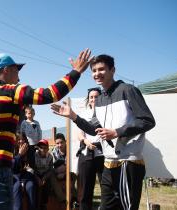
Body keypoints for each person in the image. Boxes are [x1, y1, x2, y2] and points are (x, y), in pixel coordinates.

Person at [0, 48, 93, 210]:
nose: (19, 76)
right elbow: (50, 94)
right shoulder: (11, 91)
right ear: (6, 70)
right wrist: (76, 72)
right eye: (17, 70)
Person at [51, 54, 156, 210]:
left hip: (128, 163)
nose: (96, 74)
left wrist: (117, 132)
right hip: (108, 163)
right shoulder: (100, 100)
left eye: (101, 69)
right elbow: (94, 130)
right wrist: (73, 116)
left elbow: (147, 121)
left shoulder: (128, 90)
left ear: (112, 70)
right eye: (94, 70)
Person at [76, 87, 104, 210]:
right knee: (85, 190)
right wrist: (86, 141)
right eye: (91, 97)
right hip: (87, 154)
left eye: (96, 96)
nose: (93, 99)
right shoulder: (84, 114)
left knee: (107, 189)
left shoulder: (108, 113)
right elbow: (79, 134)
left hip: (104, 154)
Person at [50, 133, 78, 206]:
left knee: (75, 171)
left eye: (61, 142)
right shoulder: (54, 151)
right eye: (57, 143)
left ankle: (74, 197)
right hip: (59, 173)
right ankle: (63, 199)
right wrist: (59, 172)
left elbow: (72, 165)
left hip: (70, 172)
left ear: (65, 141)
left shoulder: (71, 150)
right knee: (50, 174)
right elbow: (53, 168)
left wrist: (64, 172)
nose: (60, 145)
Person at [13, 132, 36, 210]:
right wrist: (19, 155)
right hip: (15, 178)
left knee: (31, 186)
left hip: (27, 177)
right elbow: (12, 168)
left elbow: (32, 168)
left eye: (23, 139)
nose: (21, 141)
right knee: (17, 187)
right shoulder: (12, 150)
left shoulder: (30, 151)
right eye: (19, 139)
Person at [34, 139, 53, 210]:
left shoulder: (50, 157)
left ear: (48, 148)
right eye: (41, 147)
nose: (43, 149)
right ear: (38, 148)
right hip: (36, 174)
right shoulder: (34, 155)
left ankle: (43, 204)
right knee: (34, 185)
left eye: (45, 148)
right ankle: (35, 205)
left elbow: (51, 169)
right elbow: (32, 168)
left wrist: (44, 178)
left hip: (45, 174)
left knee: (47, 185)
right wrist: (37, 178)